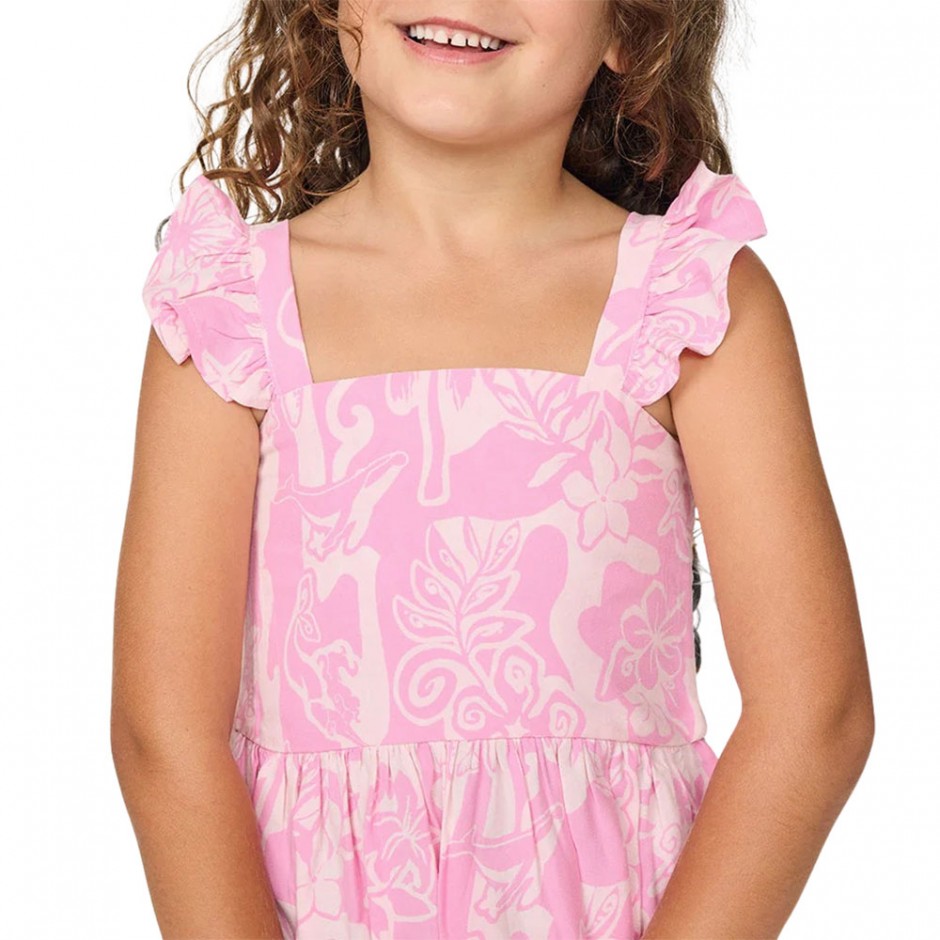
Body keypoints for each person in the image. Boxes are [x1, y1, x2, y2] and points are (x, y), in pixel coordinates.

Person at [112, 1, 875, 938]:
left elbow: (813, 715)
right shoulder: (229, 312)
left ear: (629, 29)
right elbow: (165, 738)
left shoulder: (692, 303)